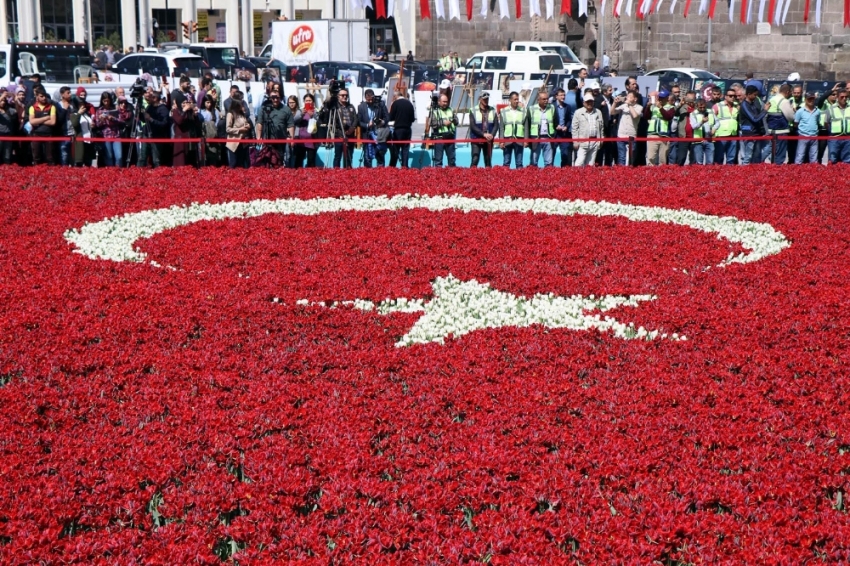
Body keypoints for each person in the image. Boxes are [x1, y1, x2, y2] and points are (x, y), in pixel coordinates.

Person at [318, 88, 358, 168]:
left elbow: (355, 119)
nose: (345, 97)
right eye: (342, 95)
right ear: (338, 96)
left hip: (350, 135)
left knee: (349, 157)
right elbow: (332, 121)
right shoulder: (334, 108)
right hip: (338, 135)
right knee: (338, 157)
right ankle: (337, 174)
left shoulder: (351, 106)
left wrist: (351, 130)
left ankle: (348, 173)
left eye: (346, 95)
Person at [256, 89, 295, 166]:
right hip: (267, 139)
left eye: (277, 97)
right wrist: (258, 137)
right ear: (270, 98)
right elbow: (259, 123)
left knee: (279, 161)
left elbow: (290, 125)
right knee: (267, 162)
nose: (275, 99)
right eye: (273, 98)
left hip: (281, 140)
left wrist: (292, 139)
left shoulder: (286, 109)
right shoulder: (264, 108)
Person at [138, 87, 171, 168]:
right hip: (146, 135)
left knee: (156, 160)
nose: (149, 98)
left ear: (155, 98)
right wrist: (140, 113)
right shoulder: (149, 107)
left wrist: (151, 119)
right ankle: (138, 173)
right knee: (142, 158)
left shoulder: (163, 109)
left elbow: (164, 124)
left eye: (151, 97)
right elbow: (143, 119)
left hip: (156, 137)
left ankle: (158, 176)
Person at [764, 84, 795, 164]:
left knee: (770, 148)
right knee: (780, 153)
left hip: (771, 130)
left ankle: (758, 161)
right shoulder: (784, 101)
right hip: (781, 131)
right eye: (791, 92)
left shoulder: (772, 99)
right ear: (787, 92)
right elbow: (791, 117)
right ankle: (778, 168)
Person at [358, 89, 389, 168]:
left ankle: (380, 174)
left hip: (379, 134)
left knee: (380, 157)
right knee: (367, 158)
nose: (371, 101)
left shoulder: (380, 104)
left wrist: (383, 122)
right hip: (367, 135)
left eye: (372, 99)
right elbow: (359, 122)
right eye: (369, 100)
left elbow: (387, 117)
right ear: (365, 98)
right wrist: (367, 125)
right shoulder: (361, 107)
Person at [572, 92, 604, 167]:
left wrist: (601, 139)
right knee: (578, 164)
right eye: (587, 101)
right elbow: (574, 128)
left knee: (590, 165)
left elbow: (601, 127)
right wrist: (575, 141)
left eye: (591, 101)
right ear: (583, 103)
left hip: (595, 141)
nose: (589, 103)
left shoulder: (598, 112)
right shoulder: (578, 112)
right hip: (583, 142)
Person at [738, 85, 768, 165]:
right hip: (749, 134)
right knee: (748, 156)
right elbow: (754, 118)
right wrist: (765, 111)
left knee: (757, 155)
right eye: (754, 95)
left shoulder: (753, 104)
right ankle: (744, 173)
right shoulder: (744, 105)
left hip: (756, 133)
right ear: (748, 94)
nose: (756, 97)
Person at [644, 90, 675, 166]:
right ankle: (650, 175)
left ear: (667, 99)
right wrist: (648, 107)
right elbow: (646, 116)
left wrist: (661, 108)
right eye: (659, 97)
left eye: (662, 98)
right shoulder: (653, 106)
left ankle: (662, 176)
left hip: (664, 136)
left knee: (663, 159)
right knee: (650, 158)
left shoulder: (671, 108)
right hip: (652, 134)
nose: (660, 99)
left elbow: (668, 117)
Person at [95, 91, 126, 166]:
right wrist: (102, 120)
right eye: (104, 101)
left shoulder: (115, 109)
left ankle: (119, 171)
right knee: (109, 156)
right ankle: (110, 173)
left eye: (107, 100)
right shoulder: (99, 111)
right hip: (106, 135)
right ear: (102, 101)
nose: (106, 102)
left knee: (119, 156)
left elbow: (121, 121)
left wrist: (112, 118)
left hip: (116, 135)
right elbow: (97, 125)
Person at [612, 90, 642, 166]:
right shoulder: (623, 106)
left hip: (631, 135)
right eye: (627, 96)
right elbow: (612, 112)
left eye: (629, 97)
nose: (627, 98)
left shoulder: (639, 107)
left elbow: (635, 115)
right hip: (621, 134)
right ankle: (621, 174)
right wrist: (615, 103)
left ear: (635, 99)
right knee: (621, 157)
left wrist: (630, 105)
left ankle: (629, 174)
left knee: (630, 158)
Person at [525, 90, 555, 168]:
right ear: (538, 100)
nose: (546, 101)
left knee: (548, 163)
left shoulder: (552, 108)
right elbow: (527, 126)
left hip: (548, 138)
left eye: (547, 99)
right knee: (534, 162)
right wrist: (527, 139)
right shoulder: (531, 109)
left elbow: (555, 122)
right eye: (544, 99)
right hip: (536, 138)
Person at [469, 93, 497, 168]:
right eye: (484, 99)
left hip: (489, 139)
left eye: (487, 99)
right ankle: (471, 177)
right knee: (475, 159)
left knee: (488, 160)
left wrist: (492, 135)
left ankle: (488, 178)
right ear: (480, 99)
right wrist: (483, 134)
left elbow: (496, 125)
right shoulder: (473, 110)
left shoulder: (493, 110)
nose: (486, 100)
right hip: (476, 138)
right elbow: (473, 126)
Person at [387, 90, 415, 168]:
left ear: (396, 96)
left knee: (395, 150)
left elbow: (391, 117)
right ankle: (405, 167)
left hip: (398, 130)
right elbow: (412, 119)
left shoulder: (395, 104)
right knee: (405, 150)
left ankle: (392, 167)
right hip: (407, 129)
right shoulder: (409, 104)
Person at [28, 88, 56, 165]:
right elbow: (32, 122)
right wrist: (46, 118)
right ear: (37, 97)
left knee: (50, 157)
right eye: (41, 96)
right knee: (36, 157)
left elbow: (53, 122)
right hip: (36, 134)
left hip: (48, 134)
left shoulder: (51, 107)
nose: (44, 98)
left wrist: (38, 121)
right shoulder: (32, 108)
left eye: (45, 96)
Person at [712, 88, 739, 165]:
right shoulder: (717, 106)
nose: (733, 97)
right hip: (721, 136)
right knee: (718, 158)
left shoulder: (736, 106)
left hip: (733, 135)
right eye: (730, 96)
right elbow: (711, 120)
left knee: (731, 158)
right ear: (725, 96)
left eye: (734, 96)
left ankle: (728, 175)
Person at [172, 95, 200, 167]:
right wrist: (184, 110)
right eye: (183, 103)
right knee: (181, 160)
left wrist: (195, 115)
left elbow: (196, 124)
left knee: (191, 161)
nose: (185, 104)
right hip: (180, 139)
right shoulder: (176, 111)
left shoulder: (189, 112)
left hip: (190, 139)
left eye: (186, 102)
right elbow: (179, 121)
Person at [429, 94, 457, 167]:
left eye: (446, 102)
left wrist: (453, 120)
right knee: (438, 161)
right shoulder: (434, 111)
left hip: (450, 137)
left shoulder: (450, 109)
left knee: (452, 160)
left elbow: (457, 121)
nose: (445, 103)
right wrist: (443, 123)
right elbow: (433, 124)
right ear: (439, 102)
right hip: (439, 138)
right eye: (444, 101)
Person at [225, 91, 251, 169]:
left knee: (242, 164)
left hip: (243, 144)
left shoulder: (241, 113)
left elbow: (245, 122)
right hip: (234, 143)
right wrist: (240, 130)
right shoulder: (230, 114)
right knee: (233, 164)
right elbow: (228, 129)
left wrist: (247, 126)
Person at [793, 91, 820, 164]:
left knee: (814, 158)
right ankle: (797, 172)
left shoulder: (817, 111)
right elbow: (796, 123)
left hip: (814, 136)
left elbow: (817, 121)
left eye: (813, 99)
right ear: (805, 100)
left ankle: (814, 173)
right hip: (803, 136)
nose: (811, 100)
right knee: (800, 156)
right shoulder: (800, 111)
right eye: (809, 99)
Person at [500, 91, 525, 169]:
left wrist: (526, 140)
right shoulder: (503, 111)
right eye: (515, 99)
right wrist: (501, 141)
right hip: (508, 140)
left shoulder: (523, 111)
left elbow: (526, 126)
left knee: (519, 163)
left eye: (517, 99)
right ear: (510, 100)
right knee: (506, 163)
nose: (517, 101)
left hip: (519, 140)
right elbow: (501, 127)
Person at [825, 89, 850, 164]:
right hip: (834, 139)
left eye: (846, 97)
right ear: (837, 98)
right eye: (842, 97)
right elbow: (826, 123)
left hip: (847, 139)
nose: (844, 99)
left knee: (847, 160)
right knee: (832, 159)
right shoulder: (831, 108)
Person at [688, 97, 715, 165]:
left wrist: (714, 129)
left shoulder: (711, 111)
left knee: (710, 162)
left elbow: (717, 123)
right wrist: (702, 122)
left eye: (704, 107)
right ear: (697, 106)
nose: (702, 109)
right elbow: (694, 126)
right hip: (698, 141)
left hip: (709, 140)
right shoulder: (693, 114)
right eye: (700, 107)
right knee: (699, 162)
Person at [199, 95, 222, 166]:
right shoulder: (201, 112)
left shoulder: (215, 112)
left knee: (213, 156)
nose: (209, 104)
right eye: (207, 102)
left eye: (210, 102)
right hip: (204, 136)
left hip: (213, 137)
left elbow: (217, 124)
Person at [552, 88, 573, 167]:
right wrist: (555, 126)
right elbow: (550, 119)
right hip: (555, 134)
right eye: (561, 95)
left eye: (564, 95)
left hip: (564, 134)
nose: (563, 97)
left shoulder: (568, 107)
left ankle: (563, 172)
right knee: (552, 154)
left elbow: (569, 120)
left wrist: (566, 127)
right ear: (556, 96)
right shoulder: (552, 106)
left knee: (565, 155)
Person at [296, 93, 318, 167]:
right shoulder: (300, 111)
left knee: (311, 160)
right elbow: (294, 121)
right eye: (306, 100)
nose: (308, 102)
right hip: (300, 140)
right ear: (304, 102)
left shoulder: (315, 111)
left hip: (311, 140)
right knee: (299, 160)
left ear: (313, 102)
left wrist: (312, 116)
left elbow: (319, 122)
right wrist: (301, 114)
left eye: (310, 100)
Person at [55, 86, 74, 166]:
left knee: (72, 156)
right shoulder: (58, 105)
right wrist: (64, 109)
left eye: (70, 93)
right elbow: (59, 120)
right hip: (63, 134)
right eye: (68, 93)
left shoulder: (73, 105)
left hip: (72, 133)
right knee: (64, 155)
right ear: (62, 94)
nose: (70, 94)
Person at [0, 95, 17, 164]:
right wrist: (3, 95)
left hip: (8, 134)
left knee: (7, 154)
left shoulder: (9, 110)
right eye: (1, 101)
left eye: (4, 101)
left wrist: (15, 98)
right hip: (0, 135)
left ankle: (7, 170)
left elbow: (17, 111)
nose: (3, 102)